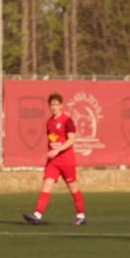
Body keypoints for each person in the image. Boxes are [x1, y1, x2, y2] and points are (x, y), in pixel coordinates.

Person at [23, 93, 87, 226]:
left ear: (61, 106)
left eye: (56, 104)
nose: (54, 107)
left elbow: (72, 139)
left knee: (73, 187)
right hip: (53, 162)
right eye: (52, 104)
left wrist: (58, 150)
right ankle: (37, 215)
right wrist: (52, 150)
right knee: (46, 184)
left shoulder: (67, 120)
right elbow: (52, 139)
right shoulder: (49, 122)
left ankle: (81, 215)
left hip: (66, 160)